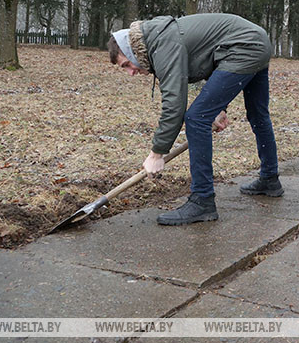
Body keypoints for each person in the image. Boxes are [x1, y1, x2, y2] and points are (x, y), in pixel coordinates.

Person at [107, 13, 283, 226]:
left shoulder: (162, 46)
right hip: (255, 41)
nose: (130, 73)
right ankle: (270, 179)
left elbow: (174, 106)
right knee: (258, 114)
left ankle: (202, 200)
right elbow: (211, 55)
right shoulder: (159, 39)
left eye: (126, 64)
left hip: (244, 47)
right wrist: (220, 108)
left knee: (196, 118)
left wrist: (156, 153)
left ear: (132, 51)